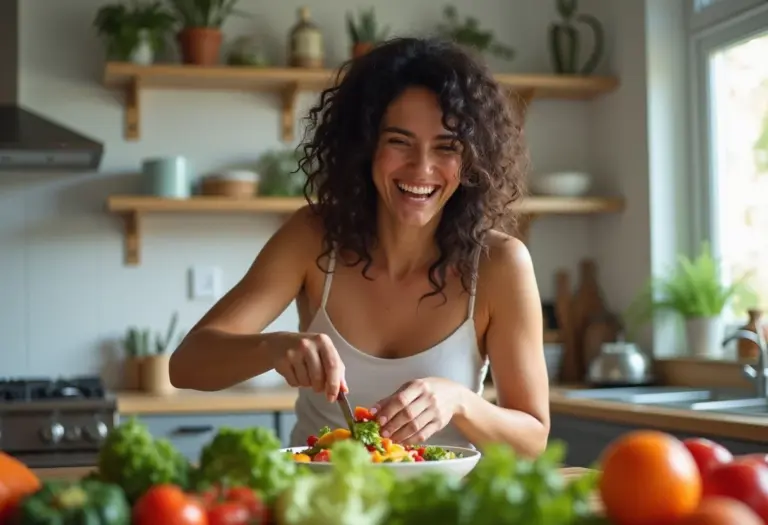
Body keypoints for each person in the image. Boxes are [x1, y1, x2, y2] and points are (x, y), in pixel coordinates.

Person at [169, 37, 550, 458]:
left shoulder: (500, 264)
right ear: (365, 146)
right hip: (322, 505)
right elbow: (186, 365)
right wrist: (273, 347)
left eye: (446, 147)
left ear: (472, 158)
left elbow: (533, 441)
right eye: (399, 142)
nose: (421, 169)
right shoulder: (312, 237)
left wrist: (459, 402)